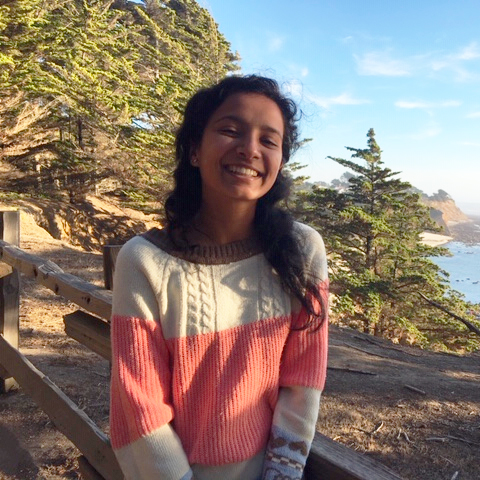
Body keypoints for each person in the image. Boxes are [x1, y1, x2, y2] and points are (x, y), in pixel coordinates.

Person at [109, 75, 329, 480]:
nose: (249, 149)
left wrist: (281, 473)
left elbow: (303, 380)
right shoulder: (145, 261)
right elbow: (141, 405)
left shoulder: (302, 250)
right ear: (194, 149)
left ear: (280, 160)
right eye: (231, 130)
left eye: (269, 140)